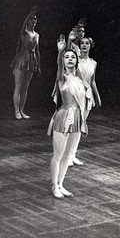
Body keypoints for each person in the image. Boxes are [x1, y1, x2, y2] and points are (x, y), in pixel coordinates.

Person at [47, 35, 89, 198]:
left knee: (68, 155)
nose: (69, 59)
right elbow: (58, 67)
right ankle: (53, 186)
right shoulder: (62, 78)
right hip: (63, 117)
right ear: (63, 61)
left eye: (72, 57)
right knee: (58, 154)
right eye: (67, 57)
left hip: (77, 118)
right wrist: (60, 52)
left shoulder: (79, 79)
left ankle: (60, 184)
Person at [68, 36, 101, 166]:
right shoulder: (76, 60)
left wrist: (97, 96)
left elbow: (92, 81)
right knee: (73, 125)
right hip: (76, 94)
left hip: (87, 95)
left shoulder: (93, 63)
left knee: (81, 125)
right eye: (82, 43)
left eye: (87, 43)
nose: (84, 45)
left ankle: (73, 154)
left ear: (90, 45)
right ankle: (67, 156)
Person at [11, 7, 41, 119]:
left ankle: (22, 110)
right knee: (18, 86)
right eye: (31, 18)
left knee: (25, 87)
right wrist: (29, 14)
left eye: (35, 18)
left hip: (31, 60)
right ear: (28, 20)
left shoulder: (37, 35)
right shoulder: (24, 32)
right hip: (21, 59)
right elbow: (23, 27)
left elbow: (37, 51)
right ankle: (16, 111)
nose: (34, 20)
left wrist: (38, 65)